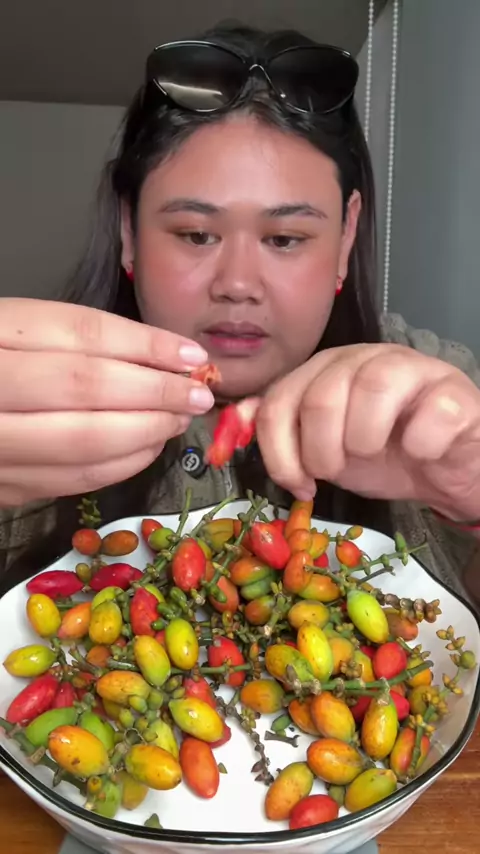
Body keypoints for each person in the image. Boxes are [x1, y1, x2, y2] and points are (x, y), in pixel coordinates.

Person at [1, 22, 479, 608]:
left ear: (347, 234)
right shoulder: (26, 389)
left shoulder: (442, 392)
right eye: (196, 234)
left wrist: (472, 495)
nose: (237, 285)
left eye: (284, 239)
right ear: (129, 228)